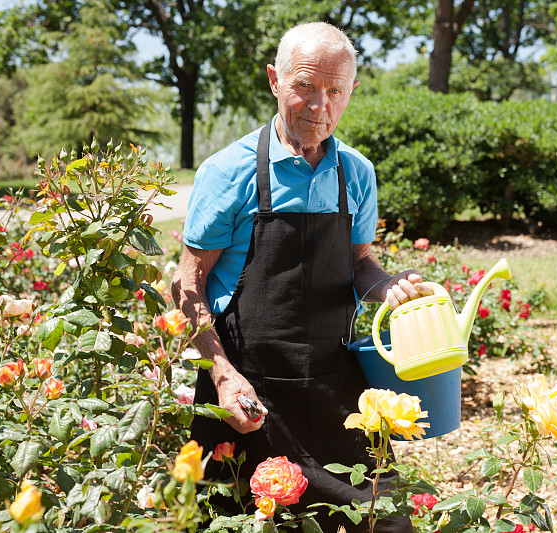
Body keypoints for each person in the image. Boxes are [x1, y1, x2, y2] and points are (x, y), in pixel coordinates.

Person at [171, 21, 431, 532]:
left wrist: (386, 286)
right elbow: (186, 284)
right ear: (275, 79)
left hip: (336, 393)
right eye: (305, 87)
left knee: (381, 522)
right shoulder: (229, 172)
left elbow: (358, 263)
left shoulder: (355, 173)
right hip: (248, 393)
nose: (320, 106)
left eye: (335, 91)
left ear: (351, 90)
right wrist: (224, 376)